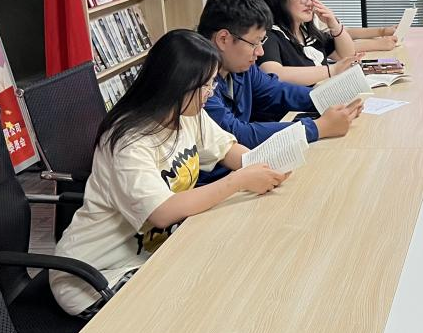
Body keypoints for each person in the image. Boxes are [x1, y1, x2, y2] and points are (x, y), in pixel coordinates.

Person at [52, 30, 288, 316]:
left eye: (212, 82)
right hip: (97, 277)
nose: (211, 91)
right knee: (207, 301)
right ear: (177, 85)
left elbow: (228, 151)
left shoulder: (186, 114)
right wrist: (238, 181)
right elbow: (162, 213)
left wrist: (270, 166)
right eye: (205, 85)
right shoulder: (128, 141)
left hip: (155, 255)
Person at [198, 0, 362, 183]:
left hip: (243, 170)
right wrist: (318, 127)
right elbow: (237, 134)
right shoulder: (198, 84)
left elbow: (277, 91)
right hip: (215, 182)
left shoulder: (240, 68)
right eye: (254, 43)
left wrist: (333, 97)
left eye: (262, 42)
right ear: (223, 39)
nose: (260, 52)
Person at [259, 0, 360, 86]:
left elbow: (346, 55)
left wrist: (334, 25)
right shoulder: (269, 34)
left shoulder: (307, 31)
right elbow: (273, 73)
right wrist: (331, 70)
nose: (310, 2)